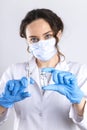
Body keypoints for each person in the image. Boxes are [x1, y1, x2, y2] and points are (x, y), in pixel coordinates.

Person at [0, 8, 87, 130]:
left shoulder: (80, 72)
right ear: (27, 41)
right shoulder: (14, 72)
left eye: (47, 36)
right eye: (34, 39)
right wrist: (2, 103)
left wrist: (79, 101)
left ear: (59, 34)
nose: (41, 43)